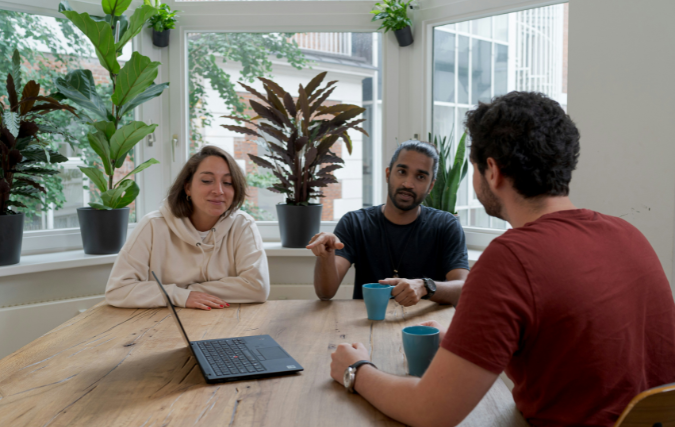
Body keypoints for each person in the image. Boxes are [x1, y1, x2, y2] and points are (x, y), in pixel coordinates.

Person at [328, 92, 675, 427]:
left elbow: (428, 412)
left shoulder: (511, 257)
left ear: (491, 171)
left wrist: (356, 369)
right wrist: (464, 338)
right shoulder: (629, 235)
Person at [307, 140, 469, 307]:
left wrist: (425, 286)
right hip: (368, 326)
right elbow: (325, 293)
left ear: (431, 186)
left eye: (420, 177)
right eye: (401, 172)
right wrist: (326, 257)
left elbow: (463, 289)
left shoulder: (446, 225)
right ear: (387, 174)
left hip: (424, 328)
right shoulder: (355, 223)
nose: (408, 184)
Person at [105, 145, 270, 310]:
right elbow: (118, 290)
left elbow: (258, 288)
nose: (219, 191)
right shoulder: (152, 226)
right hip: (161, 324)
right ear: (188, 187)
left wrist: (185, 291)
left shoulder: (243, 225)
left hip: (226, 321)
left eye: (228, 183)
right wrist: (180, 296)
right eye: (206, 181)